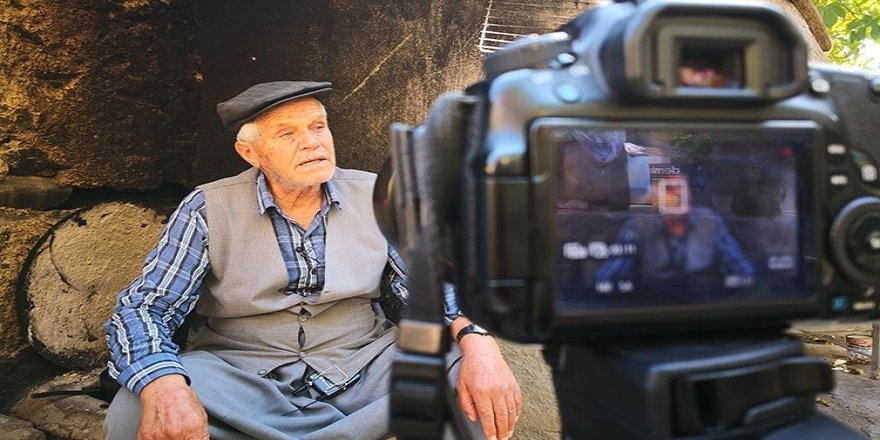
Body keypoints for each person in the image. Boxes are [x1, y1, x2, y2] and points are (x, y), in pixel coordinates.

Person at [103, 81, 522, 440]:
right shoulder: (207, 207)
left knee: (464, 379)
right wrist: (163, 383)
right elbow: (145, 307)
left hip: (362, 365)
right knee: (135, 409)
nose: (312, 142)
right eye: (288, 134)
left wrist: (479, 342)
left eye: (318, 126)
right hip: (240, 373)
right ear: (250, 153)